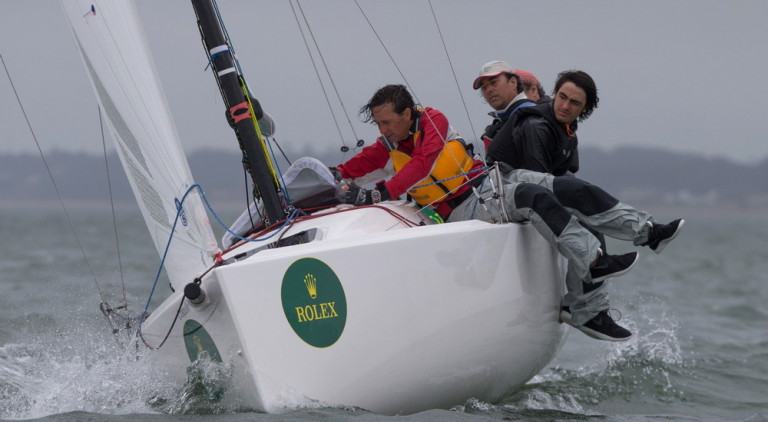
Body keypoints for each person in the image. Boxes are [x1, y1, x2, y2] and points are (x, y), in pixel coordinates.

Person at [332, 84, 680, 313]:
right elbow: (363, 162)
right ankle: (592, 262)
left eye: (387, 122)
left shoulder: (433, 121)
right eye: (378, 124)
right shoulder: (389, 143)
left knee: (570, 188)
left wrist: (379, 192)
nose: (383, 130)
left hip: (486, 184)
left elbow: (423, 163)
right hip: (464, 207)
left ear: (407, 114)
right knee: (532, 196)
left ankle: (647, 231)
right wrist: (337, 174)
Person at [477, 63, 684, 341]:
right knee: (579, 197)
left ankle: (590, 309)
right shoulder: (536, 124)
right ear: (554, 94)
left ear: (584, 110)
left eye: (574, 103)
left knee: (587, 211)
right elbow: (539, 179)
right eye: (562, 97)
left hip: (522, 186)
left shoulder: (561, 126)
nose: (565, 105)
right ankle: (645, 235)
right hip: (506, 187)